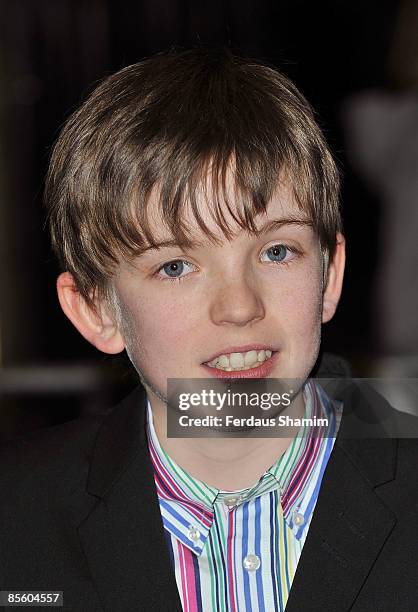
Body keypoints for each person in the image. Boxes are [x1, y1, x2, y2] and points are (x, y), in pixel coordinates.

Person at [1, 47, 417, 612]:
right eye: (175, 265)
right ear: (96, 310)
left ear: (330, 275)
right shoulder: (18, 519)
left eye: (276, 251)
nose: (240, 306)